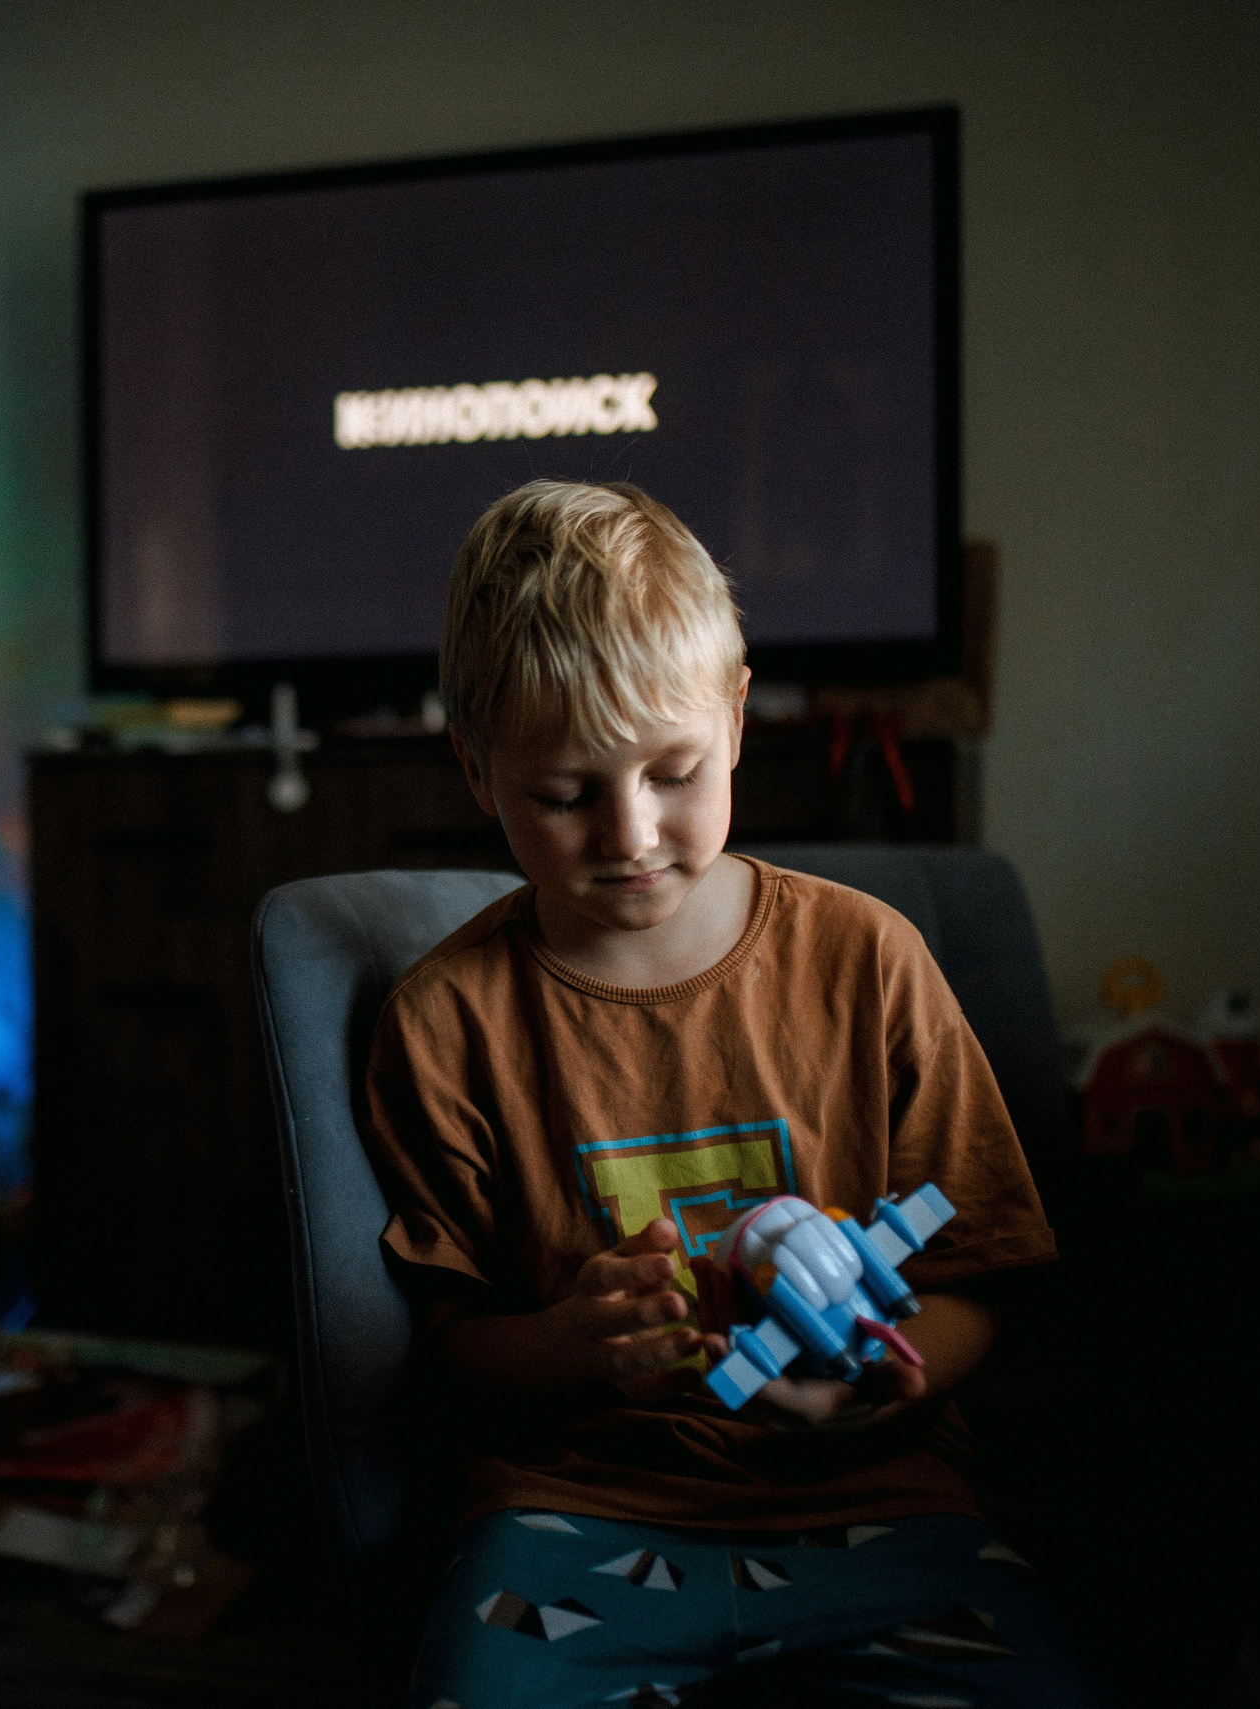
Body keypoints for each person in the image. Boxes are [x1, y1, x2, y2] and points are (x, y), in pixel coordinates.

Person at [363, 480, 1105, 1707]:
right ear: (477, 768)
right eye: (565, 794)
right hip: (576, 1506)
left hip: (881, 1495)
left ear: (739, 715)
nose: (632, 832)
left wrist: (882, 1376)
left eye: (674, 770)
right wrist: (571, 1343)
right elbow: (447, 1352)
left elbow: (978, 1271)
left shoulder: (868, 960)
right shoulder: (446, 1021)